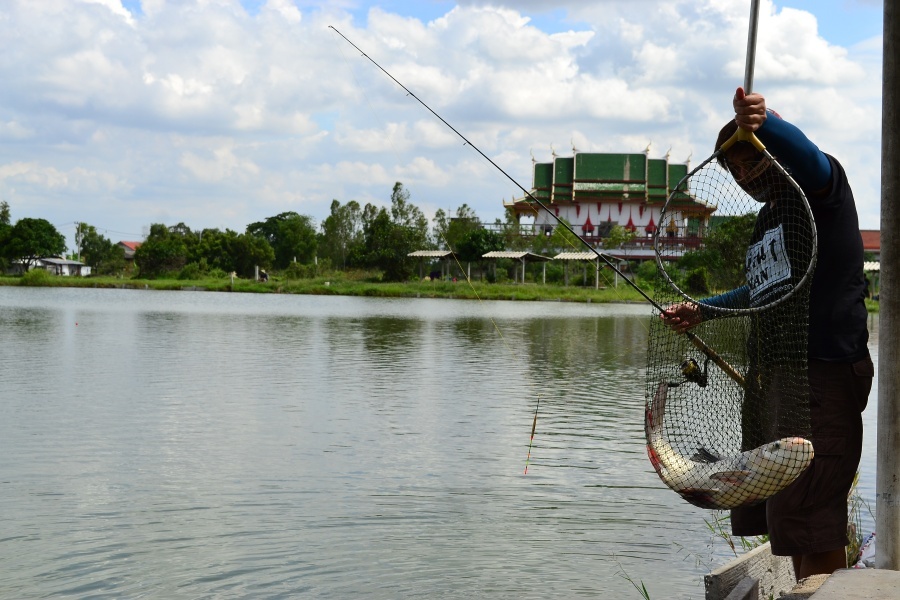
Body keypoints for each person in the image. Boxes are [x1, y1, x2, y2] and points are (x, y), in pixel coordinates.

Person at [660, 87, 873, 580]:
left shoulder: (823, 194)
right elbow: (758, 289)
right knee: (791, 516)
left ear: (774, 153)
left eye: (752, 158)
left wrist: (764, 122)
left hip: (820, 373)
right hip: (776, 379)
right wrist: (702, 311)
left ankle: (818, 591)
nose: (744, 173)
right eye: (734, 168)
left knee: (813, 509)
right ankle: (806, 588)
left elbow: (811, 158)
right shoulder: (767, 220)